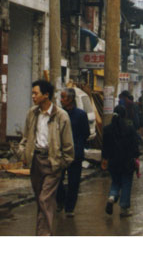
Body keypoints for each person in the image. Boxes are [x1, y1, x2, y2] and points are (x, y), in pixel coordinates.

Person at [18, 79, 74, 236]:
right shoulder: (32, 113)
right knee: (41, 201)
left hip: (52, 163)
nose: (33, 96)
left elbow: (69, 147)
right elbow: (26, 136)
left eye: (36, 93)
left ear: (46, 95)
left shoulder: (61, 116)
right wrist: (23, 153)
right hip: (36, 161)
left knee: (44, 199)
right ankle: (41, 233)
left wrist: (61, 163)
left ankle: (45, 235)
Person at [102, 104, 141, 217]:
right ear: (124, 115)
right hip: (127, 162)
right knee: (126, 184)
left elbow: (105, 147)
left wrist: (105, 159)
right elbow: (135, 145)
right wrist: (136, 157)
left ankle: (112, 197)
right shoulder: (129, 128)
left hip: (113, 162)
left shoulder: (107, 129)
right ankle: (124, 209)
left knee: (115, 182)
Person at [56, 88, 90, 217]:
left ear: (70, 99)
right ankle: (60, 200)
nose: (61, 99)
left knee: (74, 182)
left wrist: (78, 144)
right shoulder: (59, 114)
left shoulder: (81, 115)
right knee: (57, 179)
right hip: (60, 153)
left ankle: (70, 208)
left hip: (76, 153)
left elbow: (85, 133)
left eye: (63, 97)